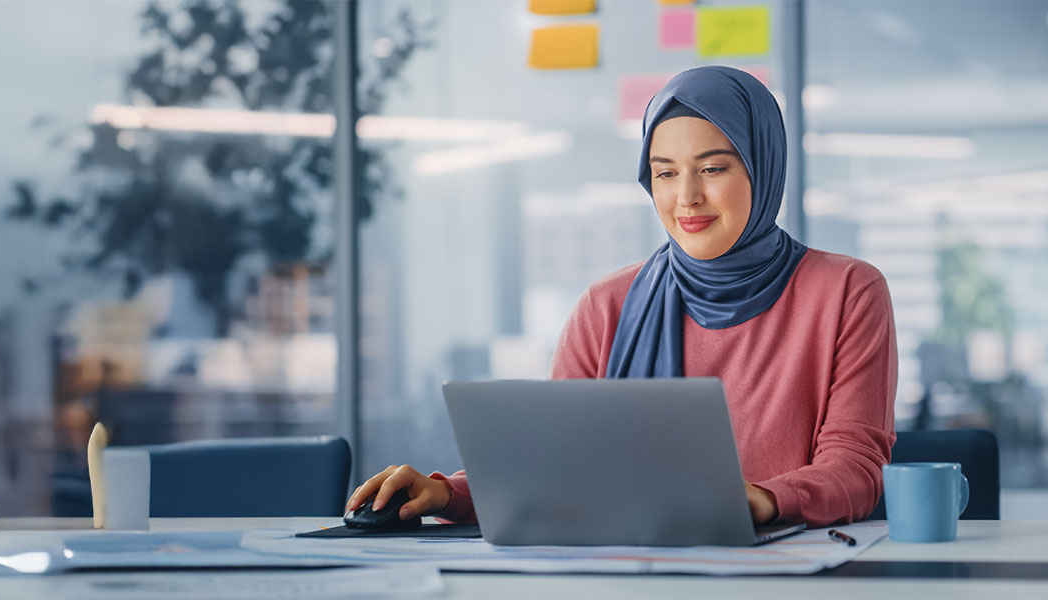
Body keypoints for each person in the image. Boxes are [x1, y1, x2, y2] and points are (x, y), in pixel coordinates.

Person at [348, 66, 896, 529]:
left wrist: (764, 499)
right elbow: (556, 462)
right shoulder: (606, 304)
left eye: (713, 168)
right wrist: (447, 494)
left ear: (762, 165)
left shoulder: (847, 291)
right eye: (665, 173)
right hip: (628, 571)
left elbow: (855, 467)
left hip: (790, 581)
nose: (687, 197)